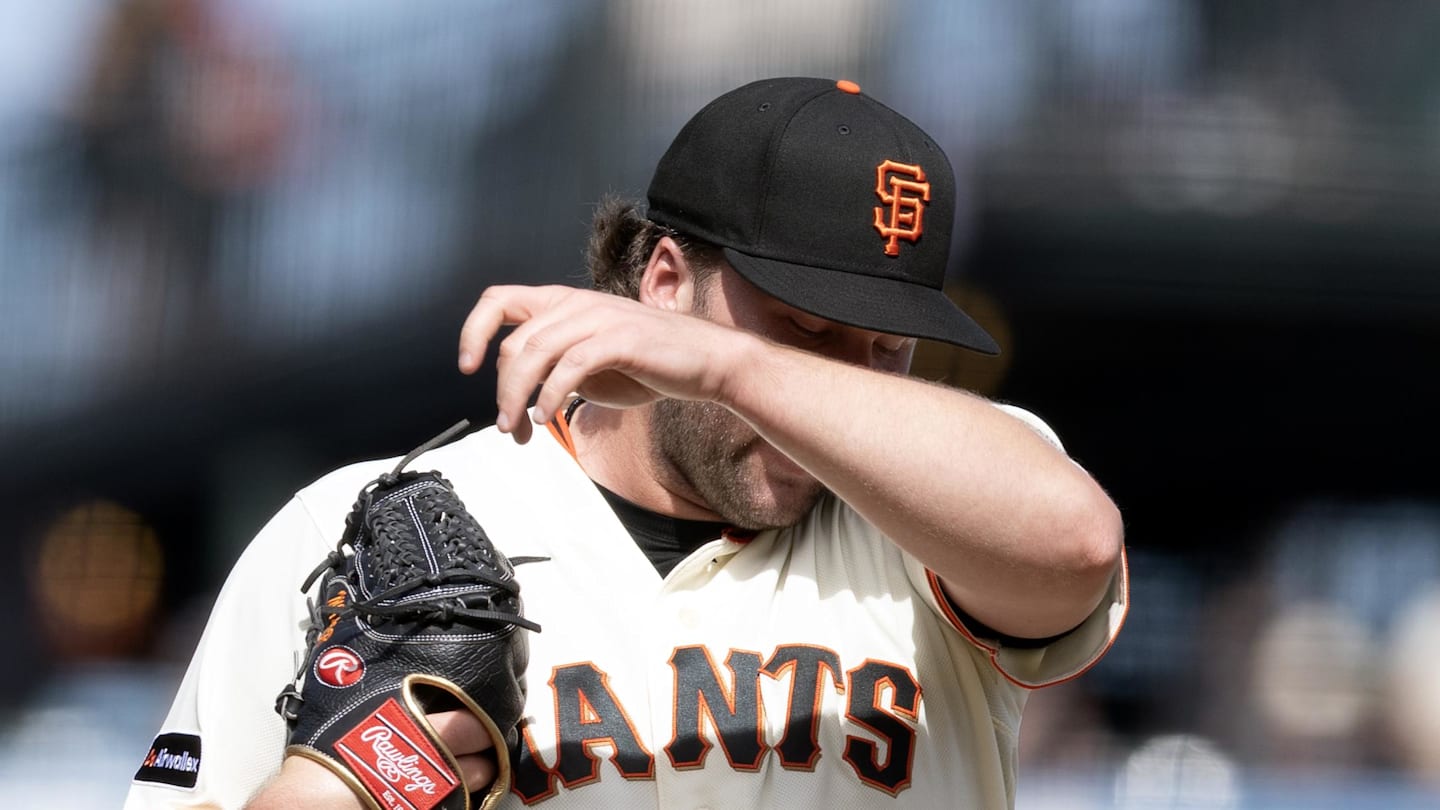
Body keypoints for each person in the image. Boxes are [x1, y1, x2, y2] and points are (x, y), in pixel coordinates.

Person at [125, 77, 1128, 809]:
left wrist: (732, 366)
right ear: (660, 280)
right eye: (805, 327)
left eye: (885, 351)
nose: (846, 380)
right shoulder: (370, 522)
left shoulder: (926, 514)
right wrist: (347, 783)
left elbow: (1074, 547)